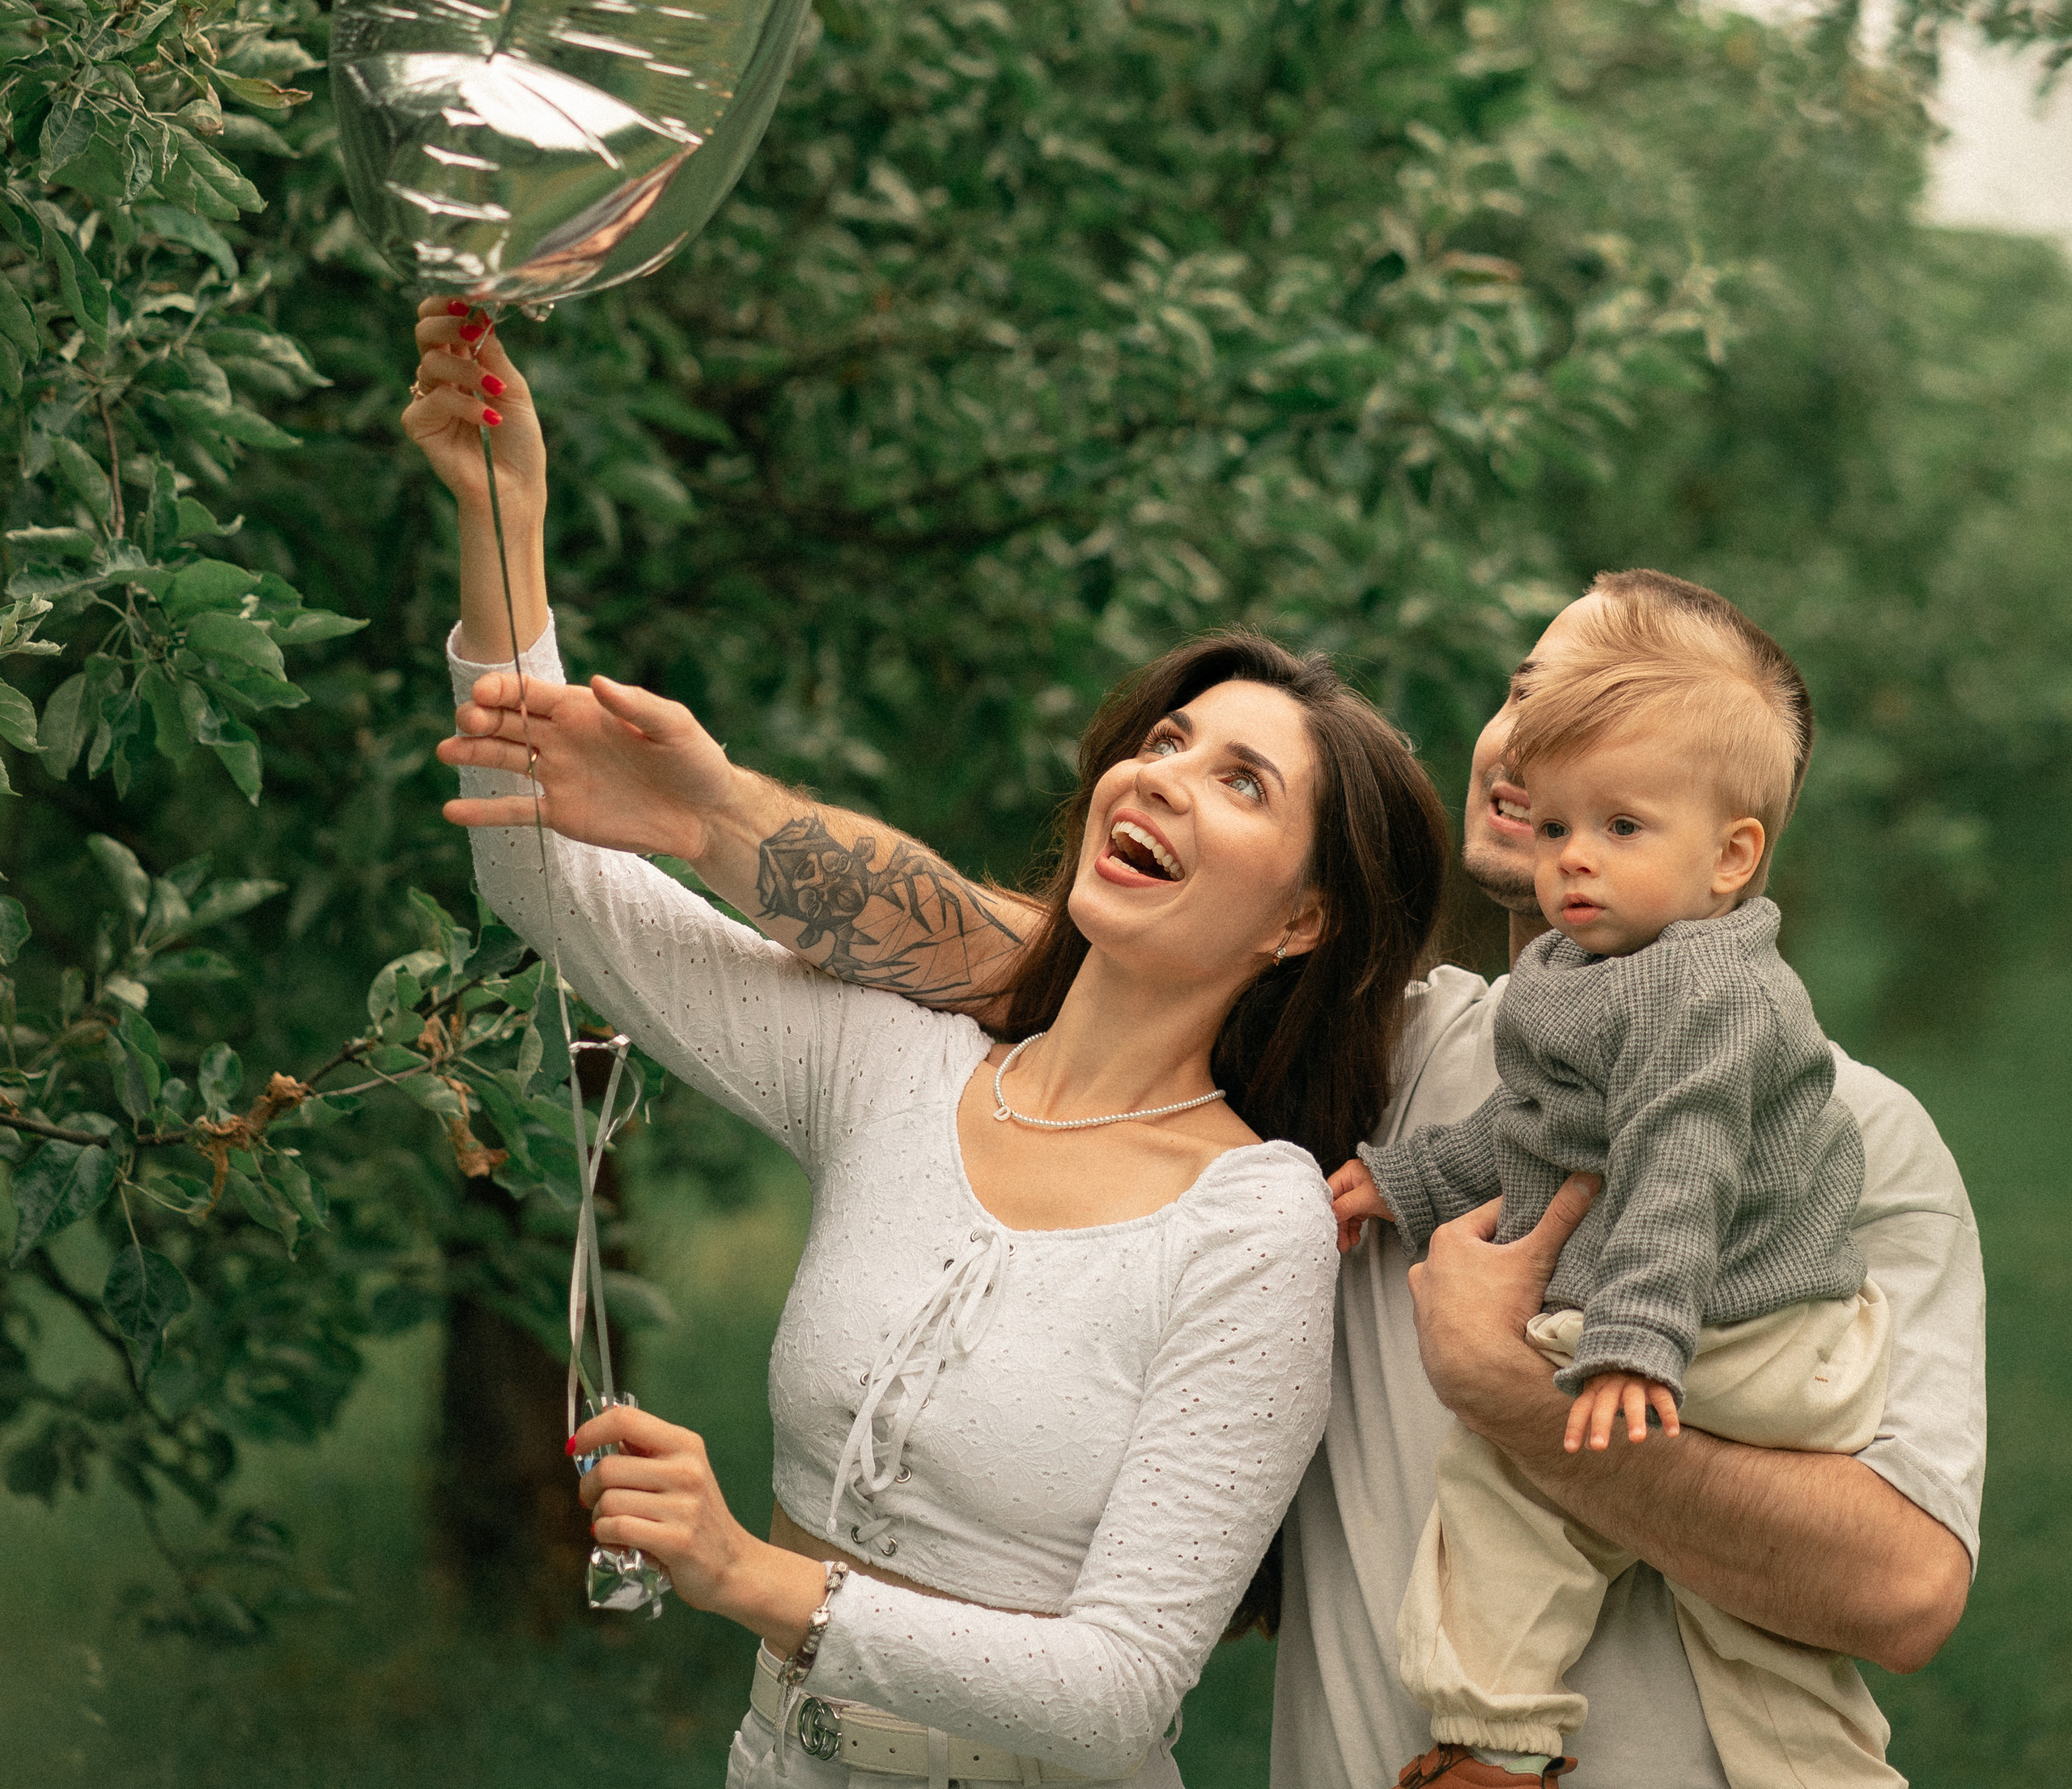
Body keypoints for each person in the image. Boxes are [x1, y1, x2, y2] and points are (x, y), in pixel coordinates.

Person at [405, 312, 1984, 1789]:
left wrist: (1510, 1391)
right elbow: (1012, 949)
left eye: (1609, 720)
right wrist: (517, 564)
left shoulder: (1840, 1140)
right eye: (1526, 692)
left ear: (1729, 843)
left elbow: (1907, 1585)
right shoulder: (1407, 1062)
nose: (1537, 736)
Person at [401, 298, 1452, 1788]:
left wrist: (749, 1575)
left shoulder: (1254, 1219)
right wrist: (507, 536)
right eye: (1162, 742)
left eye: (1241, 783)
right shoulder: (899, 1067)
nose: (1164, 779)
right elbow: (545, 883)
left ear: (1302, 924)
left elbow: (1117, 1688)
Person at [1329, 592, 1900, 1787]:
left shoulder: (1708, 992)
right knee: (1758, 1631)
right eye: (1560, 829)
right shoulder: (1577, 970)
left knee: (1505, 1487)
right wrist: (1406, 1179)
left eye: (1622, 828)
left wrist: (1634, 1338)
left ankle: (1495, 1743)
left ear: (1730, 857)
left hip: (1745, 1327)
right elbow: (1533, 1132)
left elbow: (1679, 1162)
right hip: (1733, 1327)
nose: (1575, 857)